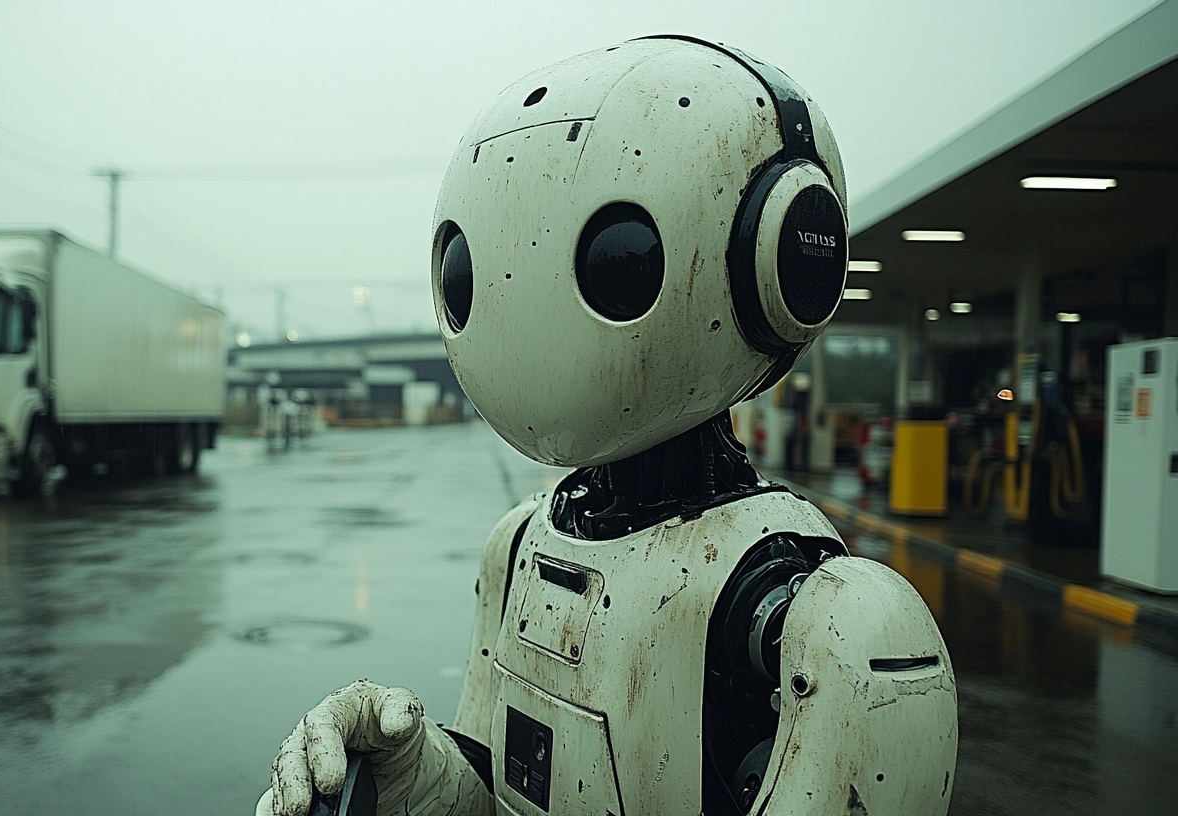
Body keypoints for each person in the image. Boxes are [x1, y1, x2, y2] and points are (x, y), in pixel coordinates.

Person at [258, 35, 957, 816]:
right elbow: (504, 786)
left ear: (787, 258)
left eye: (620, 256)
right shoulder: (524, 542)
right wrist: (416, 778)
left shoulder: (834, 622)